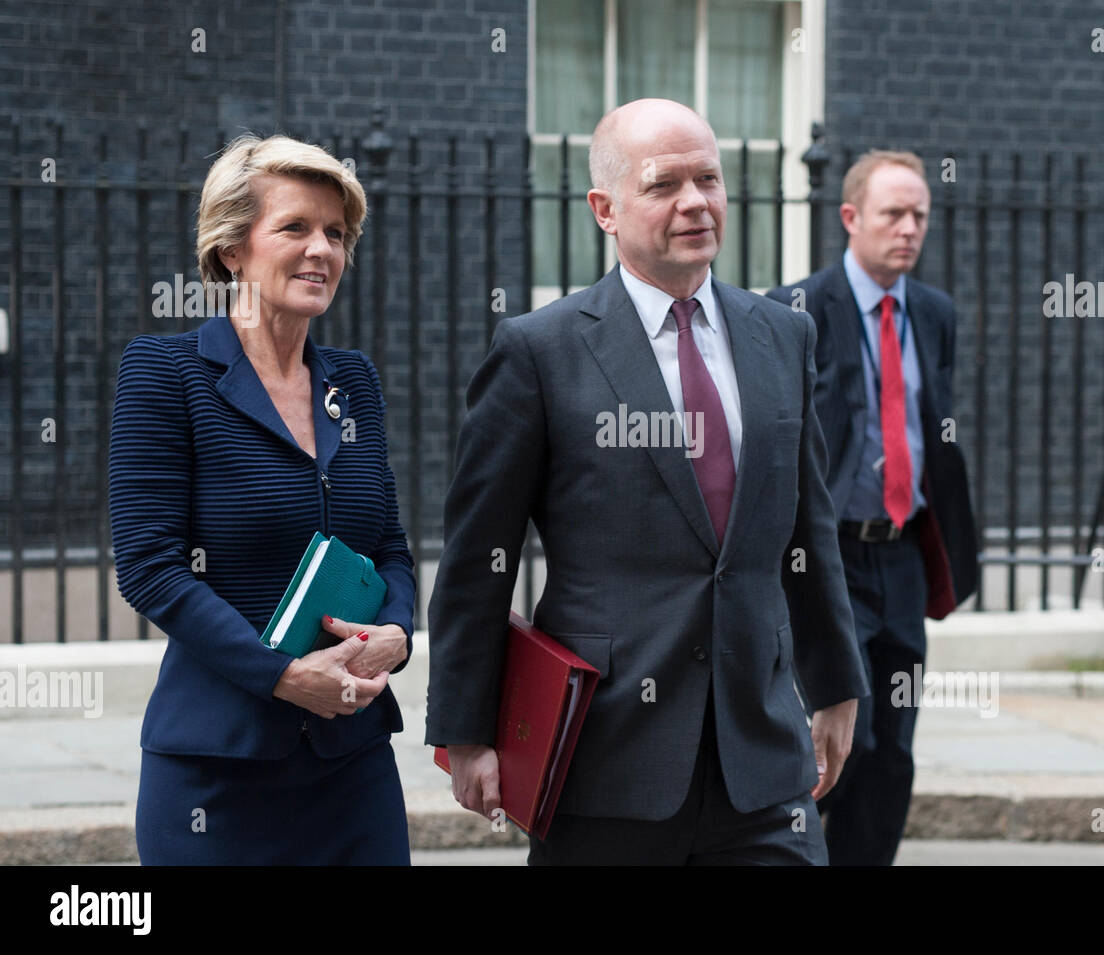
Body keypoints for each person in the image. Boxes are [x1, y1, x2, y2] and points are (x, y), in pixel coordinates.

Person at [425, 98, 867, 866]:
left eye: (709, 179)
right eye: (665, 184)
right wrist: (466, 732)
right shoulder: (539, 352)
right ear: (605, 208)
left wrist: (836, 684)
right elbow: (476, 557)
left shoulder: (783, 334)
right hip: (604, 763)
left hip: (760, 765)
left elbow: (808, 530)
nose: (696, 202)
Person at [109, 134, 416, 865]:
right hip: (218, 775)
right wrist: (281, 676)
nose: (322, 249)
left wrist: (396, 635)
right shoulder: (165, 373)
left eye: (336, 233)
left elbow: (390, 549)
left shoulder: (354, 381)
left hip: (353, 769)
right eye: (296, 227)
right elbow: (150, 567)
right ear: (231, 250)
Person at [768, 150, 978, 865]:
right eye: (894, 213)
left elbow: (930, 428)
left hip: (903, 557)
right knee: (834, 741)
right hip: (828, 560)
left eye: (920, 214)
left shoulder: (934, 313)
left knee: (894, 751)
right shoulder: (794, 309)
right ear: (851, 218)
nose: (910, 228)